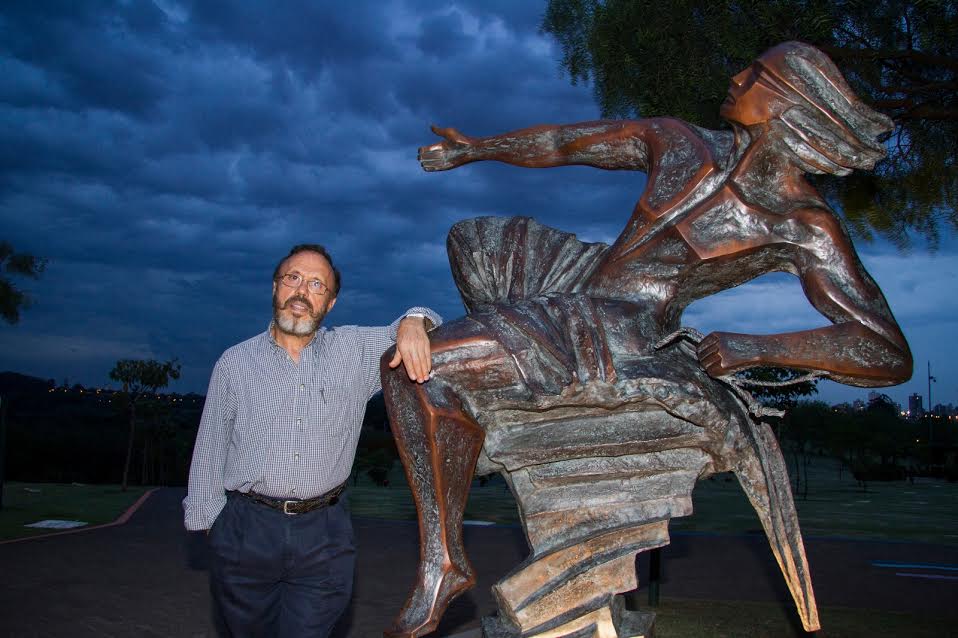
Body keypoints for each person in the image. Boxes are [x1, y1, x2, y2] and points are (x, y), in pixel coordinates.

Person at [382, 41, 912, 637]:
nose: (736, 75)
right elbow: (565, 142)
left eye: (756, 74)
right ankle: (507, 419)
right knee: (473, 242)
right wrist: (475, 149)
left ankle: (443, 563)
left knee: (412, 371)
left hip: (629, 327)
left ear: (789, 106)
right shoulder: (680, 142)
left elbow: (883, 350)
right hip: (581, 282)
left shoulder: (801, 224)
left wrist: (758, 347)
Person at [183, 243, 441, 637]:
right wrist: (212, 529)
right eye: (294, 278)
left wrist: (412, 320)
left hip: (325, 536)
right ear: (275, 288)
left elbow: (429, 321)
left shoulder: (354, 351)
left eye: (317, 284)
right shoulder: (235, 362)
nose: (303, 291)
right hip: (246, 531)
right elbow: (210, 446)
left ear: (331, 303)